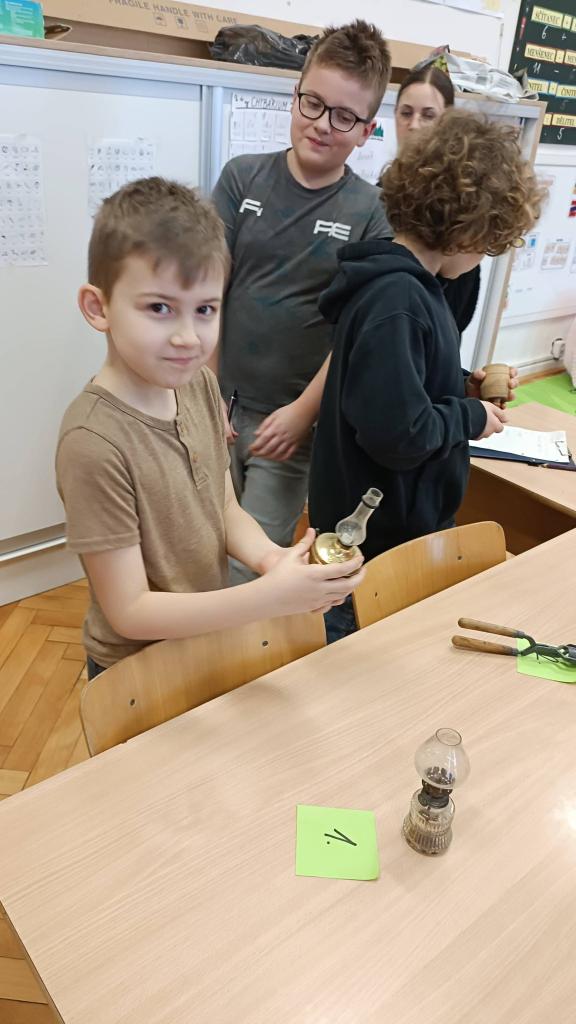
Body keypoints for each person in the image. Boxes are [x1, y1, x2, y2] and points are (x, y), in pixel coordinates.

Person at [56, 178, 365, 677]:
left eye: (205, 310)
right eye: (159, 308)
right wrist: (268, 598)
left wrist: (271, 561)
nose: (187, 337)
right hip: (134, 676)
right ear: (99, 307)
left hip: (202, 644)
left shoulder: (199, 384)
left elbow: (223, 507)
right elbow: (130, 611)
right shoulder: (93, 444)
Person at [308, 110, 545, 642]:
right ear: (468, 229)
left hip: (398, 532)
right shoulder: (397, 298)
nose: (484, 255)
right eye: (488, 242)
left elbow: (398, 383)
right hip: (376, 546)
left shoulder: (412, 288)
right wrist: (469, 417)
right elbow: (399, 435)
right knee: (358, 655)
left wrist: (459, 384)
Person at [211, 20, 392, 584]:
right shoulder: (241, 178)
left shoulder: (372, 213)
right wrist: (205, 392)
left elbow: (355, 335)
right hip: (218, 406)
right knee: (200, 544)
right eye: (312, 103)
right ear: (295, 95)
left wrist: (302, 413)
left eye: (344, 116)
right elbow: (207, 294)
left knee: (251, 567)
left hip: (291, 425)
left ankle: (238, 645)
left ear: (366, 131)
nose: (321, 124)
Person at [394, 63, 481, 337]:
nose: (414, 125)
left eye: (428, 115)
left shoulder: (460, 207)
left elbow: (459, 313)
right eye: (406, 113)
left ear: (447, 122)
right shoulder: (378, 196)